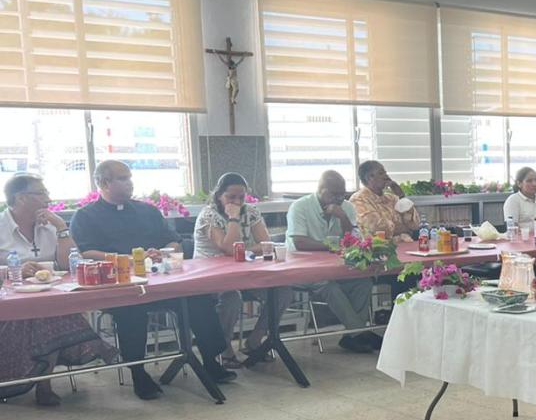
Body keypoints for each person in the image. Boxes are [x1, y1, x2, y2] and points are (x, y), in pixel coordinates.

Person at [70, 161, 235, 398]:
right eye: (123, 178)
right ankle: (138, 373)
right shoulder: (85, 216)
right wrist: (128, 259)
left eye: (130, 177)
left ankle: (210, 360)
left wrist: (164, 252)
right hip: (120, 285)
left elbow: (173, 240)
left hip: (160, 281)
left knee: (197, 298)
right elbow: (86, 252)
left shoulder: (147, 211)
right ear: (104, 183)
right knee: (131, 310)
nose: (130, 183)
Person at [0, 174, 115, 407]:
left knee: (51, 312)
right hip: (9, 300)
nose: (48, 198)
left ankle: (43, 381)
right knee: (47, 315)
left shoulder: (49, 225)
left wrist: (61, 228)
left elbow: (68, 264)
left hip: (47, 293)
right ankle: (40, 382)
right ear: (21, 198)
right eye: (41, 193)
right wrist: (11, 270)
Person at [284, 170, 379, 354]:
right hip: (303, 269)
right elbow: (300, 242)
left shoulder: (346, 207)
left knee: (363, 282)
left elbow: (352, 240)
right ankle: (360, 333)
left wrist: (342, 217)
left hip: (336, 268)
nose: (339, 198)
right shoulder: (300, 207)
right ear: (322, 191)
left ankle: (352, 336)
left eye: (342, 194)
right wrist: (333, 247)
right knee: (328, 286)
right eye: (335, 194)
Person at [194, 171, 271, 367]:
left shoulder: (251, 211)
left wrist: (242, 250)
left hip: (244, 273)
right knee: (231, 297)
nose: (237, 202)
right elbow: (228, 248)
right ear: (219, 195)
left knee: (283, 292)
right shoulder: (208, 215)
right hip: (211, 277)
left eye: (241, 197)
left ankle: (255, 339)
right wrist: (234, 218)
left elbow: (266, 244)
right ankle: (225, 347)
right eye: (231, 197)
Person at [350, 160, 422, 243]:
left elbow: (415, 224)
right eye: (381, 173)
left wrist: (401, 196)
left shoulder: (392, 198)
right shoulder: (358, 199)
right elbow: (377, 228)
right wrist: (405, 229)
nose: (386, 177)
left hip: (406, 243)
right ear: (369, 178)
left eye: (385, 173)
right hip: (380, 247)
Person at [503, 166, 536, 233]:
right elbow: (513, 229)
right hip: (523, 239)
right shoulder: (513, 201)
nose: (534, 184)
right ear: (519, 184)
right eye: (529, 181)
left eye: (535, 180)